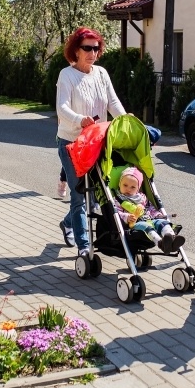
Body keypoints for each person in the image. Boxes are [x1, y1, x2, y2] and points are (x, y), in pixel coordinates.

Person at [56, 26, 126, 255]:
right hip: (71, 142)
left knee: (98, 194)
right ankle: (84, 248)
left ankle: (68, 223)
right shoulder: (67, 75)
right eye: (87, 48)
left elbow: (113, 103)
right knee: (79, 195)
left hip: (98, 141)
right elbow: (61, 107)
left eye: (96, 48)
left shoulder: (102, 73)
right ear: (76, 50)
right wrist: (79, 119)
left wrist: (126, 121)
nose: (92, 53)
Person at [112, 166, 185, 253]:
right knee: (147, 226)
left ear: (138, 188)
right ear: (120, 184)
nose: (128, 189)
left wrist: (158, 215)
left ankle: (172, 240)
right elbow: (117, 212)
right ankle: (161, 243)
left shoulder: (142, 197)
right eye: (125, 185)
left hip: (150, 219)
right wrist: (127, 217)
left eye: (133, 187)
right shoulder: (118, 199)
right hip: (136, 223)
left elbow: (150, 208)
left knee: (162, 223)